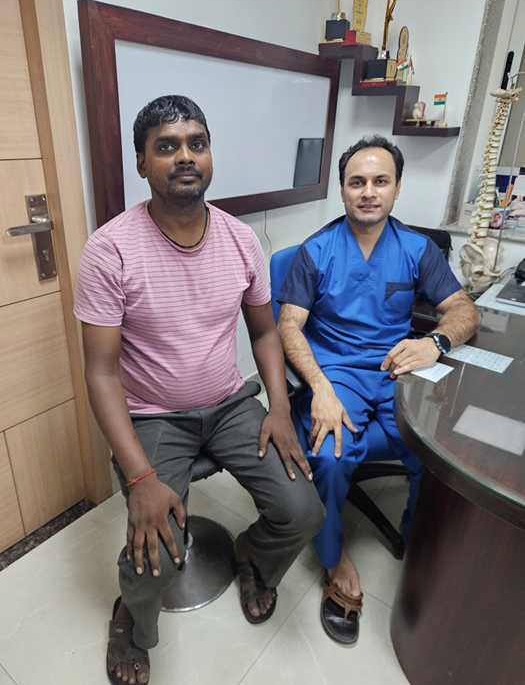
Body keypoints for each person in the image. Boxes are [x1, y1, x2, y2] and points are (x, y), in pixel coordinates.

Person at [74, 95, 325, 685]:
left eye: (197, 144)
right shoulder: (110, 250)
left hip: (231, 403)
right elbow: (101, 373)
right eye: (167, 146)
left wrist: (279, 407)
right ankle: (133, 621)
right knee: (155, 556)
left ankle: (252, 555)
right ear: (142, 163)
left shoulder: (240, 240)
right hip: (153, 414)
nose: (185, 156)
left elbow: (263, 331)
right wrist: (140, 477)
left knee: (302, 512)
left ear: (210, 155)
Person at [277, 134, 481, 646]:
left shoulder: (417, 249)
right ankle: (332, 558)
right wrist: (320, 388)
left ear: (396, 188)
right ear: (343, 190)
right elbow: (288, 325)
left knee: (438, 452)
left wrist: (435, 342)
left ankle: (420, 544)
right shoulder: (316, 250)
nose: (368, 192)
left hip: (396, 371)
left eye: (380, 181)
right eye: (357, 182)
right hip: (336, 372)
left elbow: (465, 310)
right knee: (330, 457)